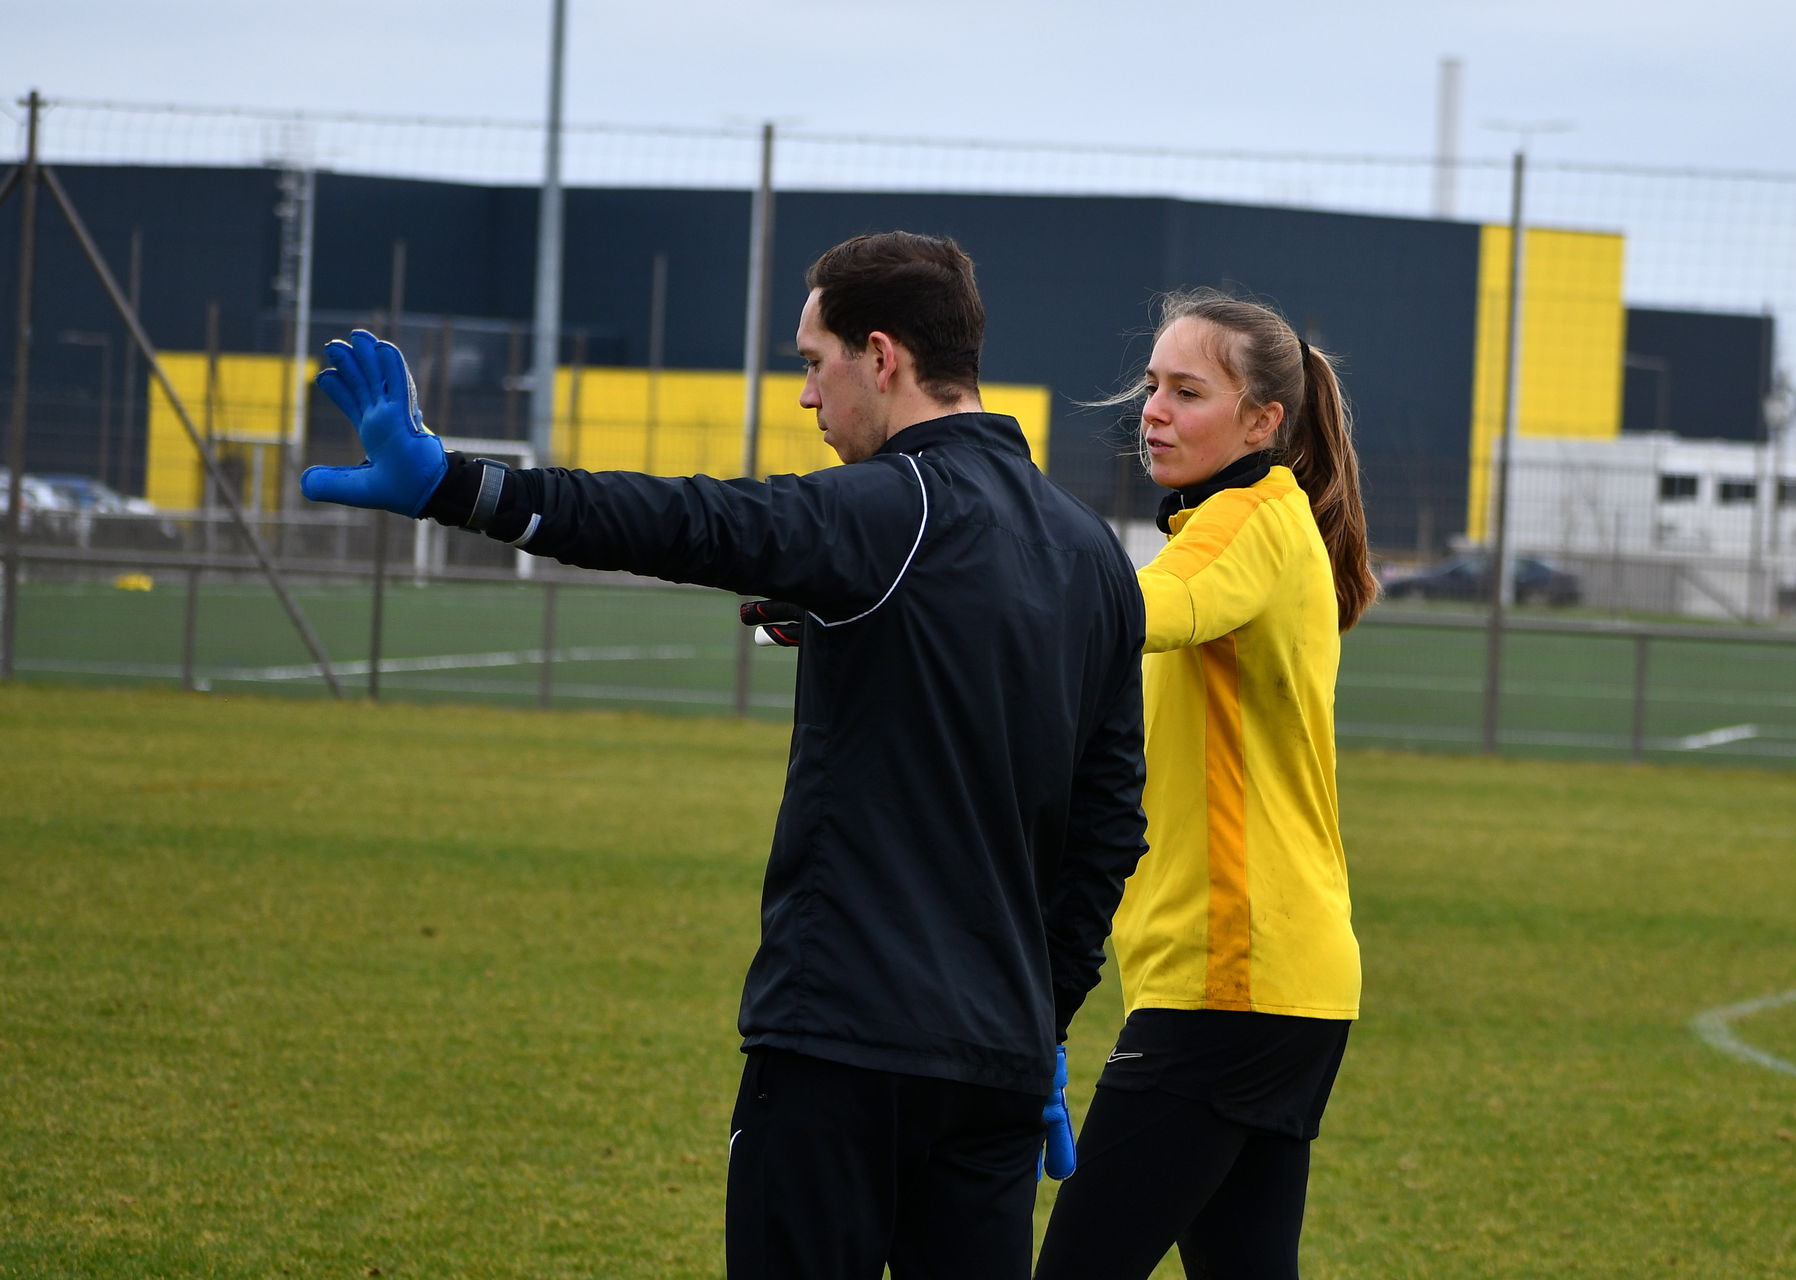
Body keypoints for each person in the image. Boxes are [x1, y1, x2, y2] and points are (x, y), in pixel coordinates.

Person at [299, 231, 1149, 1280]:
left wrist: (455, 485)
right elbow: (1111, 826)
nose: (806, 395)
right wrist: (1040, 1015)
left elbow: (686, 521)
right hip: (997, 1072)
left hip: (841, 1045)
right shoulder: (1095, 554)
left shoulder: (892, 506)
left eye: (813, 362)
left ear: (882, 357)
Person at [1033, 289, 1376, 1280]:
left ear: (1263, 421)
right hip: (1283, 985)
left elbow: (1141, 610)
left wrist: (933, 589)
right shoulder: (1255, 520)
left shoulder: (1245, 518)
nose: (1154, 411)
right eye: (1152, 386)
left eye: (1187, 392)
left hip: (1232, 985)